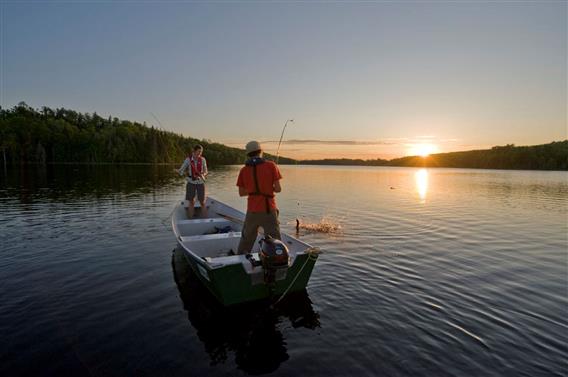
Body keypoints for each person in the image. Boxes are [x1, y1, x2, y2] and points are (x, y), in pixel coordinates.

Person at [236, 140, 282, 254]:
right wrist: (266, 188)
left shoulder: (243, 170)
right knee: (274, 239)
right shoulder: (271, 165)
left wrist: (254, 190)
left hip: (252, 210)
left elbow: (241, 193)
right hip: (269, 209)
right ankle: (276, 259)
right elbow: (278, 189)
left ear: (248, 154)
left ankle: (240, 260)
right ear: (261, 151)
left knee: (247, 239)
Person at [178, 144, 208, 214]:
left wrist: (203, 174)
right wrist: (179, 172)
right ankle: (190, 219)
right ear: (194, 151)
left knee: (202, 202)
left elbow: (206, 171)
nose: (200, 153)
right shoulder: (188, 160)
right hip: (191, 183)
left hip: (200, 183)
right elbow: (181, 170)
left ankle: (205, 218)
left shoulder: (203, 159)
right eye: (199, 151)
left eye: (201, 152)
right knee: (191, 202)